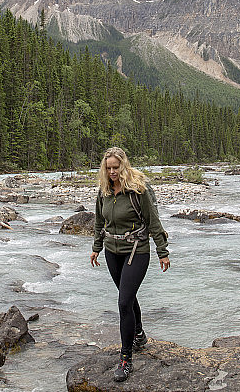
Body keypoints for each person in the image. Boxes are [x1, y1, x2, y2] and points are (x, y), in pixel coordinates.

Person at [90, 146, 170, 382]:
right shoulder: (104, 190)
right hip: (111, 251)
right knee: (128, 296)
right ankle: (139, 334)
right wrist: (96, 248)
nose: (112, 172)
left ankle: (126, 359)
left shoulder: (138, 190)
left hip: (136, 251)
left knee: (124, 302)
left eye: (116, 167)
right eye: (109, 168)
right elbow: (98, 220)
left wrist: (162, 251)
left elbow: (153, 221)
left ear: (124, 166)